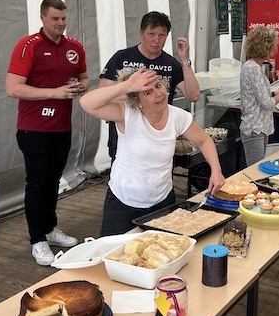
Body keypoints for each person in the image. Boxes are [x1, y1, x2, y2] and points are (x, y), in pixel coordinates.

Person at [81, 67, 225, 236]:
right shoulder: (127, 113)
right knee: (114, 250)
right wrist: (127, 86)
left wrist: (216, 171)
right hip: (123, 203)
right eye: (148, 92)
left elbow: (204, 140)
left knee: (164, 250)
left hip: (162, 201)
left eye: (158, 86)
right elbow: (86, 103)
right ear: (138, 102)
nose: (158, 94)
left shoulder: (177, 116)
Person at [6, 0, 90, 265]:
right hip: (34, 129)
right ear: (42, 18)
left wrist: (82, 87)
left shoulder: (74, 46)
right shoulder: (28, 45)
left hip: (62, 127)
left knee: (53, 181)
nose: (60, 23)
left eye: (63, 18)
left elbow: (85, 77)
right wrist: (54, 92)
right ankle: (37, 239)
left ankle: (49, 228)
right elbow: (13, 88)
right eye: (55, 18)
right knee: (38, 183)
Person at [99, 11, 201, 160]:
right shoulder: (122, 57)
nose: (156, 40)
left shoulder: (171, 64)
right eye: (151, 34)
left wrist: (185, 61)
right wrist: (134, 92)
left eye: (162, 35)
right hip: (125, 134)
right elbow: (102, 93)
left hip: (160, 138)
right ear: (141, 33)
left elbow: (194, 95)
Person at [239, 26, 279, 165]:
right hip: (255, 128)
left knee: (257, 168)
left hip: (259, 127)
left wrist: (275, 93)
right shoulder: (253, 69)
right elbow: (267, 103)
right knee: (254, 170)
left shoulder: (252, 66)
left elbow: (258, 94)